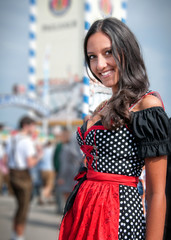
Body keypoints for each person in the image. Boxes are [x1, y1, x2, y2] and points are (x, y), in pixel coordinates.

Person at [58, 18, 171, 240]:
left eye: (108, 52)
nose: (100, 65)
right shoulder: (103, 106)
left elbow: (157, 193)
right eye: (93, 57)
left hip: (117, 217)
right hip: (84, 211)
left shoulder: (146, 105)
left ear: (126, 51)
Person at [6, 116, 41, 240]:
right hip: (23, 175)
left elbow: (5, 159)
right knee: (23, 208)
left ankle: (14, 233)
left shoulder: (12, 138)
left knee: (19, 206)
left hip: (12, 174)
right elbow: (30, 163)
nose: (34, 128)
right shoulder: (27, 141)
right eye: (33, 126)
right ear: (26, 126)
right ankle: (19, 236)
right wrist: (39, 155)